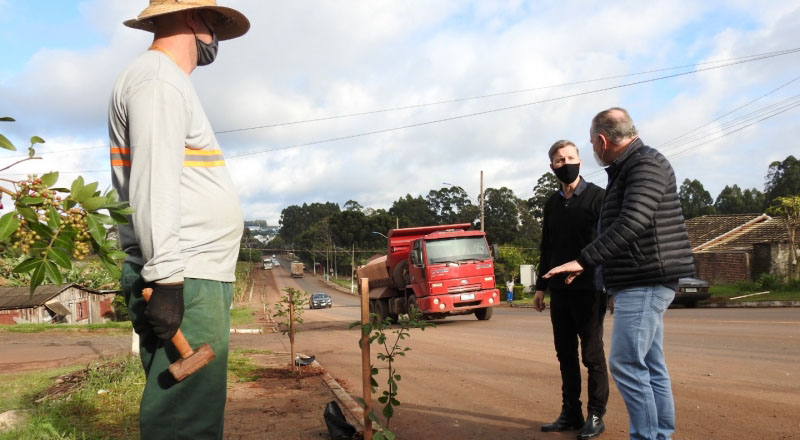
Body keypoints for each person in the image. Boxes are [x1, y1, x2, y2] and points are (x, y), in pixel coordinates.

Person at [108, 1, 249, 438]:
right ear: (192, 18)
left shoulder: (164, 82)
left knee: (190, 417)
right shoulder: (158, 81)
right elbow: (155, 184)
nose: (216, 39)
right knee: (185, 422)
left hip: (191, 272)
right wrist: (168, 281)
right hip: (184, 273)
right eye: (215, 25)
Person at [543, 108, 695, 440]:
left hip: (646, 278)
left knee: (625, 364)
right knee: (651, 368)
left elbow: (632, 222)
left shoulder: (644, 164)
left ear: (600, 141)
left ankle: (647, 436)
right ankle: (659, 435)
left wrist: (583, 261)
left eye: (588, 147)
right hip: (635, 278)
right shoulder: (629, 167)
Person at [533, 140, 608, 439]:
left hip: (589, 289)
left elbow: (607, 244)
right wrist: (541, 287)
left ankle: (595, 416)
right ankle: (570, 412)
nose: (566, 163)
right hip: (559, 292)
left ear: (580, 159)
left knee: (592, 355)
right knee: (565, 354)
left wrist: (610, 286)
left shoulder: (598, 198)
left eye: (571, 157)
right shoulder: (551, 203)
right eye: (560, 160)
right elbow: (547, 247)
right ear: (552, 167)